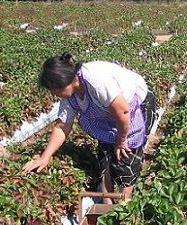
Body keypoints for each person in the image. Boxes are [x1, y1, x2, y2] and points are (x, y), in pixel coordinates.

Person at [23, 53, 156, 202]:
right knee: (106, 153)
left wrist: (121, 140)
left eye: (53, 90)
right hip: (111, 112)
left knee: (126, 153)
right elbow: (62, 127)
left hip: (134, 105)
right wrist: (44, 157)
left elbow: (124, 112)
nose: (53, 94)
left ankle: (125, 205)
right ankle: (108, 204)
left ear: (64, 82)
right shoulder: (69, 95)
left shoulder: (96, 81)